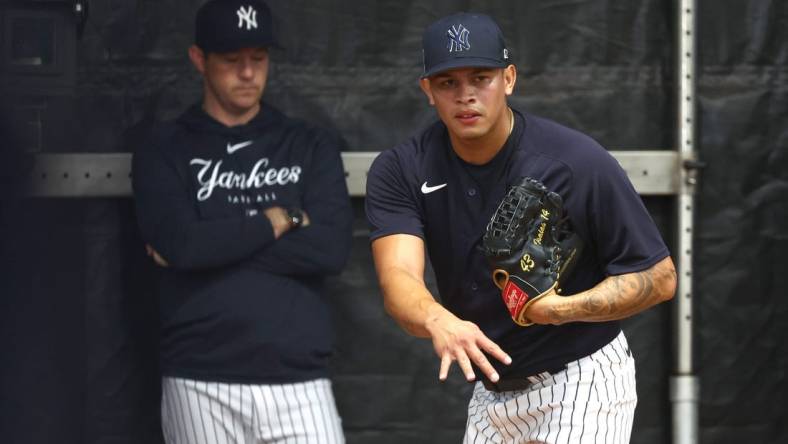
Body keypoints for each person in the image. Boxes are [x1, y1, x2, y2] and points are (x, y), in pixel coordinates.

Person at [365, 12, 677, 444]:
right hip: (492, 393)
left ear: (508, 78)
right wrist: (437, 318)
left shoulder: (575, 161)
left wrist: (559, 309)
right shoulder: (402, 168)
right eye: (447, 82)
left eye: (480, 78)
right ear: (427, 91)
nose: (465, 95)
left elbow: (659, 277)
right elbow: (397, 277)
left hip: (579, 378)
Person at [131, 1, 352, 442]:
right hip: (199, 376)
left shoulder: (307, 144)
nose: (248, 73)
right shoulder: (164, 147)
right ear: (200, 59)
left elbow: (330, 249)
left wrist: (207, 243)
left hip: (298, 378)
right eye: (232, 60)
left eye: (258, 59)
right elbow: (183, 244)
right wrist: (282, 219)